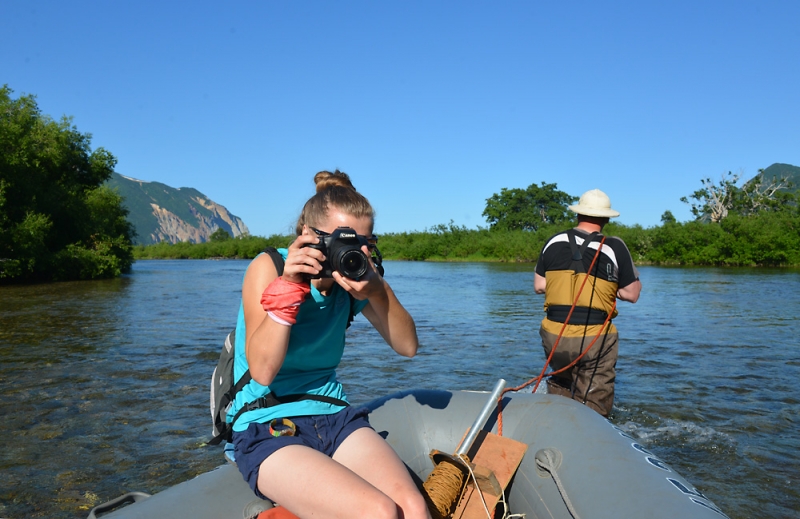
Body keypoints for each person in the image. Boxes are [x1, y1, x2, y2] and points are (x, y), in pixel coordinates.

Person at [230, 170, 431, 519]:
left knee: (412, 507)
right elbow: (262, 371)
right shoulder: (270, 267)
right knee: (379, 511)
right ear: (308, 236)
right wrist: (290, 286)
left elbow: (408, 346)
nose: (353, 253)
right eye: (342, 241)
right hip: (266, 421)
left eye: (364, 243)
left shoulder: (356, 281)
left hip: (334, 415)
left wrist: (377, 289)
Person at [533, 189, 642, 417]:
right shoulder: (614, 246)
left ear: (578, 215)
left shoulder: (553, 241)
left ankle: (553, 427)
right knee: (593, 404)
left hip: (554, 334)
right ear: (606, 219)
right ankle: (592, 432)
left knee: (561, 383)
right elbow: (631, 294)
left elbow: (540, 286)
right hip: (593, 338)